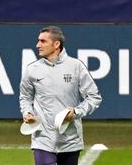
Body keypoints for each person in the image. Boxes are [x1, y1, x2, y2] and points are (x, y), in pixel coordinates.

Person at [19, 26, 102, 165]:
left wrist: (76, 112)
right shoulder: (32, 69)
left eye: (43, 41)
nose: (37, 45)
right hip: (42, 139)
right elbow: (25, 97)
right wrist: (27, 112)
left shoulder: (76, 66)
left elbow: (94, 97)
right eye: (38, 41)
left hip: (70, 140)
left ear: (56, 44)